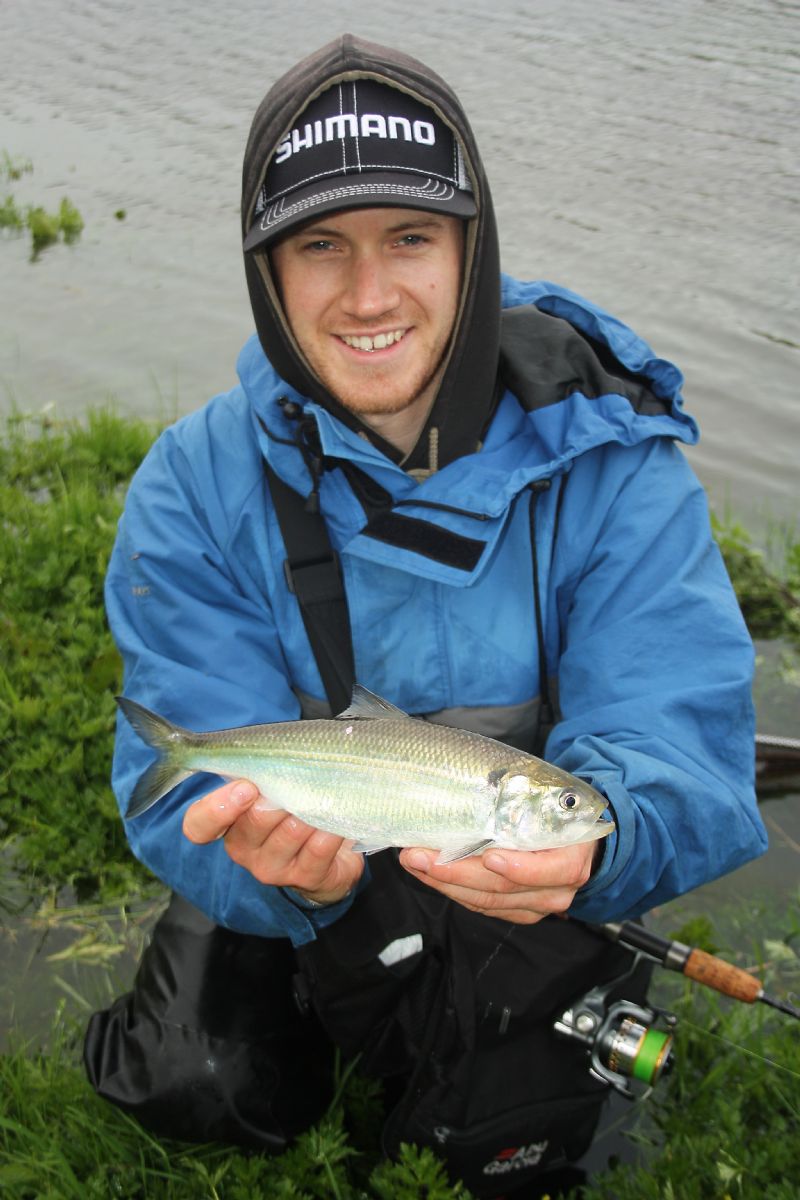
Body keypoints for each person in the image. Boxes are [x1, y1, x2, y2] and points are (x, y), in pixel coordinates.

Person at [85, 33, 768, 1197]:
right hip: (322, 867)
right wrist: (287, 878)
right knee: (200, 1086)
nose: (367, 295)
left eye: (410, 238)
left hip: (527, 870)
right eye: (318, 247)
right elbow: (190, 766)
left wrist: (599, 843)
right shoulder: (192, 483)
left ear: (471, 246)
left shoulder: (615, 459)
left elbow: (679, 733)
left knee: (513, 1143)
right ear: (266, 273)